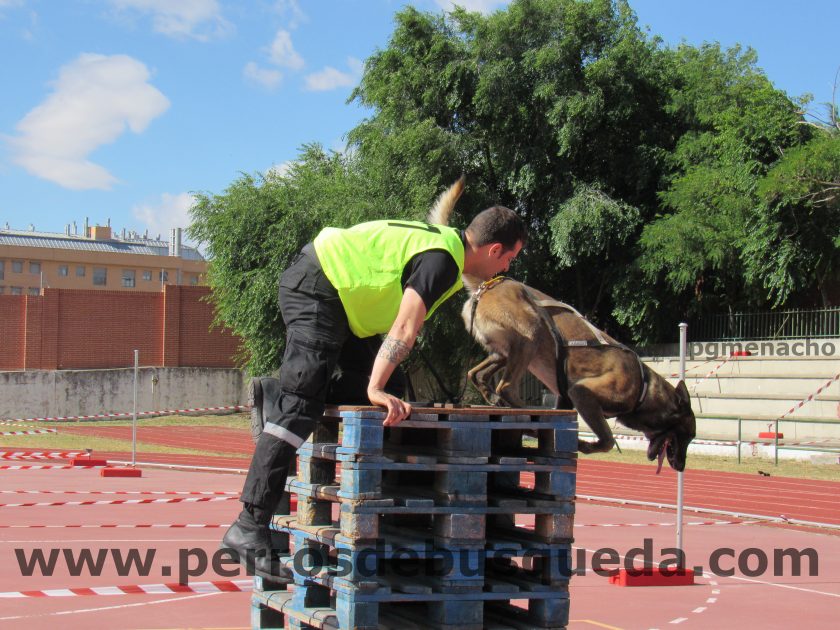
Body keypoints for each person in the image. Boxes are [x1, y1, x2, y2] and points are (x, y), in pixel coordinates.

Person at [220, 202, 526, 579]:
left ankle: (397, 531)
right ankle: (248, 525)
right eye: (509, 259)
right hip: (320, 287)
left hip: (341, 302)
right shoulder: (442, 261)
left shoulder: (445, 249)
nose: (506, 269)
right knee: (303, 403)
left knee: (390, 387)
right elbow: (404, 329)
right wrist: (375, 386)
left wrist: (381, 386)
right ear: (494, 250)